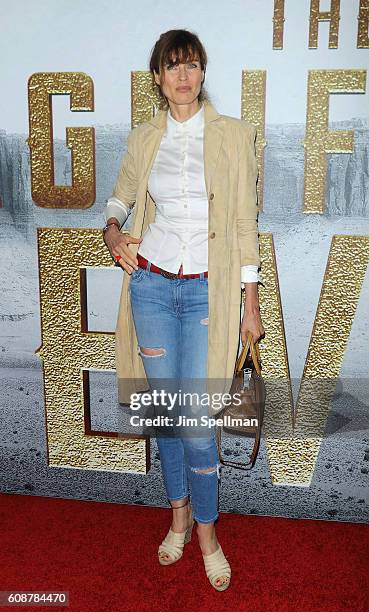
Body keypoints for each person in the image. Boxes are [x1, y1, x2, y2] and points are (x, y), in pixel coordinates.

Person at [103, 29, 264, 592]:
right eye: (173, 67)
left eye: (192, 65)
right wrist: (112, 229)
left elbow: (246, 223)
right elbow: (121, 196)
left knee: (196, 423)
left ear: (202, 72)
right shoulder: (145, 137)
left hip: (207, 293)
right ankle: (176, 517)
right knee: (166, 416)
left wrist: (251, 302)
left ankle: (207, 534)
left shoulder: (233, 135)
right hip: (150, 285)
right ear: (158, 77)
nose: (183, 76)